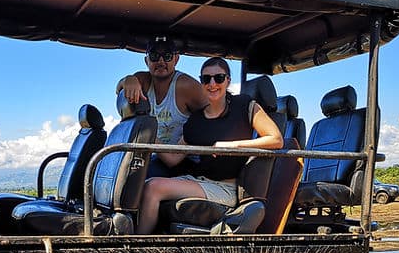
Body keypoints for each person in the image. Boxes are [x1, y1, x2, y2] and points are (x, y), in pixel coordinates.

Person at [136, 57, 284, 234]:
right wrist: (149, 135)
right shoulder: (195, 120)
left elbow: (276, 139)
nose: (212, 84)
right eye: (206, 79)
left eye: (219, 78)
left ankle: (134, 248)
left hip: (225, 188)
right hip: (200, 181)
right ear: (201, 83)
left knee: (153, 188)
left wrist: (231, 146)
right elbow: (173, 159)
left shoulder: (244, 105)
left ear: (228, 80)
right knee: (144, 183)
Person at [116, 36, 208, 177]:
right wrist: (128, 79)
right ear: (147, 61)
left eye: (167, 56)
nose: (160, 61)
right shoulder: (142, 81)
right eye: (154, 56)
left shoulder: (187, 86)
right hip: (155, 157)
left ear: (176, 59)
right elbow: (119, 90)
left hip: (186, 161)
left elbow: (212, 115)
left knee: (137, 176)